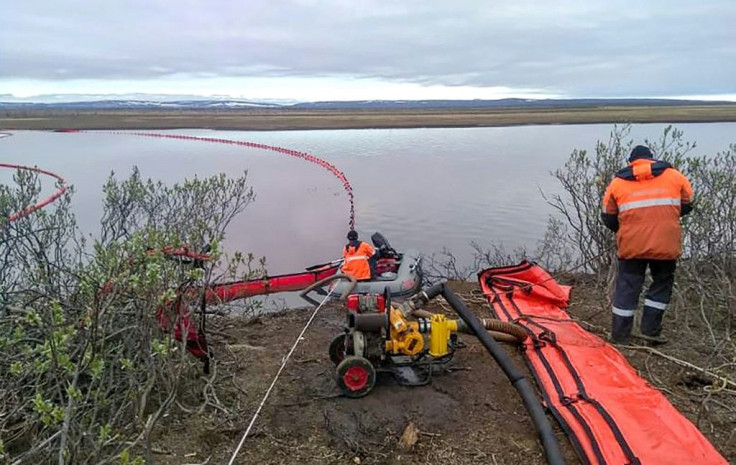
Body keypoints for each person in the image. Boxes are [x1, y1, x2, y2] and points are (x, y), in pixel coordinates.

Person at [601, 145, 693, 344]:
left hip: (632, 245)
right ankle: (650, 332)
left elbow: (608, 218)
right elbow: (686, 205)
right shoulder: (674, 176)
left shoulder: (617, 183)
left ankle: (620, 336)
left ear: (631, 162)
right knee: (661, 283)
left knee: (628, 286)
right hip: (665, 243)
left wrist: (627, 229)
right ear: (652, 159)